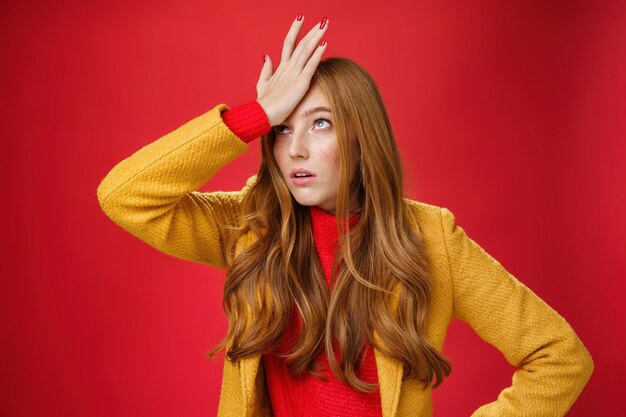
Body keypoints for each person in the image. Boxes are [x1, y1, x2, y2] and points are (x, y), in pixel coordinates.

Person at [96, 13, 594, 417]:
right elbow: (125, 195)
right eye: (284, 130)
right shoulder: (252, 228)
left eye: (320, 124)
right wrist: (256, 115)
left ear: (361, 137)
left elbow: (559, 356)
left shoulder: (430, 238)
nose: (296, 150)